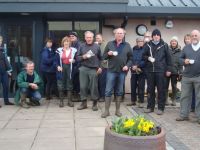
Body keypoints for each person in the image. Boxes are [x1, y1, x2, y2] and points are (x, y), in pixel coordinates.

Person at [101, 27, 132, 118]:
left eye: (121, 33)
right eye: (118, 33)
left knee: (119, 91)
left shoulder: (127, 45)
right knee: (108, 91)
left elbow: (131, 58)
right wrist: (108, 54)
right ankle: (106, 111)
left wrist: (128, 65)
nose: (119, 35)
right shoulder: (110, 44)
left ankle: (117, 111)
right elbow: (104, 57)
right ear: (115, 34)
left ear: (124, 35)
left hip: (122, 72)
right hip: (111, 71)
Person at [143, 29, 172, 115]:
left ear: (160, 36)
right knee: (150, 90)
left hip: (161, 71)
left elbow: (169, 58)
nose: (156, 36)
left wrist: (169, 69)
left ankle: (160, 108)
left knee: (161, 90)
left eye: (157, 35)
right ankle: (150, 107)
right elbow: (143, 56)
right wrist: (148, 58)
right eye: (154, 35)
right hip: (150, 71)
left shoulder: (164, 45)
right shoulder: (147, 45)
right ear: (152, 37)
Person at [176, 30, 200, 124]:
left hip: (199, 76)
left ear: (199, 36)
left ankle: (199, 117)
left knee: (199, 97)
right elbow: (179, 59)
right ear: (190, 37)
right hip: (186, 77)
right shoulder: (186, 48)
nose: (194, 37)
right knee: (184, 96)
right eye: (192, 36)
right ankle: (183, 115)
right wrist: (184, 61)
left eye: (196, 35)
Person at [76, 31, 102, 111]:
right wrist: (83, 57)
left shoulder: (97, 46)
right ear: (85, 38)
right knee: (83, 86)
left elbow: (101, 58)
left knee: (93, 86)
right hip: (83, 68)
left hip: (93, 69)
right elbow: (77, 58)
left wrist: (100, 67)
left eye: (90, 37)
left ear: (93, 38)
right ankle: (84, 103)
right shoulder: (81, 46)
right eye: (87, 37)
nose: (89, 39)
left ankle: (94, 103)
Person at [54, 36, 77, 107]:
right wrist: (58, 66)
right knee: (61, 84)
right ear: (63, 43)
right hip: (62, 69)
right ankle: (61, 101)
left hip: (70, 69)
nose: (66, 43)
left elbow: (77, 60)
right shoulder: (59, 50)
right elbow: (55, 61)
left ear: (70, 43)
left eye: (68, 41)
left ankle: (69, 101)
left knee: (69, 84)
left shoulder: (74, 50)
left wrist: (74, 61)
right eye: (65, 41)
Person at [127, 36, 145, 107]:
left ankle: (141, 101)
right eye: (139, 41)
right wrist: (132, 66)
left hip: (141, 71)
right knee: (133, 86)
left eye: (142, 41)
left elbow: (145, 60)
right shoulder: (133, 49)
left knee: (141, 87)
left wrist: (137, 66)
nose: (141, 43)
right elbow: (130, 59)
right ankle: (133, 101)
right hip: (133, 71)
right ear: (137, 42)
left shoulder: (145, 49)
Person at [165, 36, 182, 106]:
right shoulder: (167, 50)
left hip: (175, 72)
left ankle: (174, 100)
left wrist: (180, 72)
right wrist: (165, 70)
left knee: (174, 86)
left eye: (175, 41)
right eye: (172, 41)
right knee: (165, 86)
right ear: (170, 42)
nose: (173, 42)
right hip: (167, 71)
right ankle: (166, 99)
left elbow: (180, 63)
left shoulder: (180, 51)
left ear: (177, 42)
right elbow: (164, 61)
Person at [68, 31, 82, 102]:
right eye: (70, 37)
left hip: (78, 65)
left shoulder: (79, 44)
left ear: (76, 37)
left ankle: (78, 96)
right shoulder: (71, 44)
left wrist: (76, 62)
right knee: (74, 81)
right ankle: (75, 95)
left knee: (77, 82)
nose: (71, 38)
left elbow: (78, 55)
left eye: (73, 36)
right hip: (72, 65)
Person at [0, 35, 13, 107]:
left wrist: (9, 70)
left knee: (6, 86)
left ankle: (6, 101)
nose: (0, 42)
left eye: (1, 41)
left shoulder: (2, 50)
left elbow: (5, 61)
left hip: (4, 71)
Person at [95, 33, 107, 102]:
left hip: (103, 67)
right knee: (96, 82)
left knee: (102, 82)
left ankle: (103, 96)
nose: (97, 39)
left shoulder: (105, 46)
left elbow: (105, 58)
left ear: (102, 38)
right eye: (96, 38)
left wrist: (101, 67)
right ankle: (97, 96)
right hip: (95, 66)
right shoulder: (95, 45)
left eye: (99, 38)